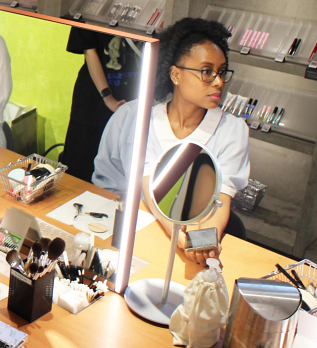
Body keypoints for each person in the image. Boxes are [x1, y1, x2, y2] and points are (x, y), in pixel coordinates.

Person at [93, 18, 249, 265]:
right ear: (175, 74)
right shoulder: (133, 118)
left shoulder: (232, 131)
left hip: (189, 247)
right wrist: (180, 238)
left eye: (221, 72)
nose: (218, 81)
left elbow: (221, 200)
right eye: (207, 72)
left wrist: (202, 245)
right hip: (129, 234)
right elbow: (146, 190)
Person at [63, 28, 142, 181]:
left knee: (123, 171)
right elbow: (89, 51)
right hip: (94, 102)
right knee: (81, 167)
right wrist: (107, 97)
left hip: (133, 102)